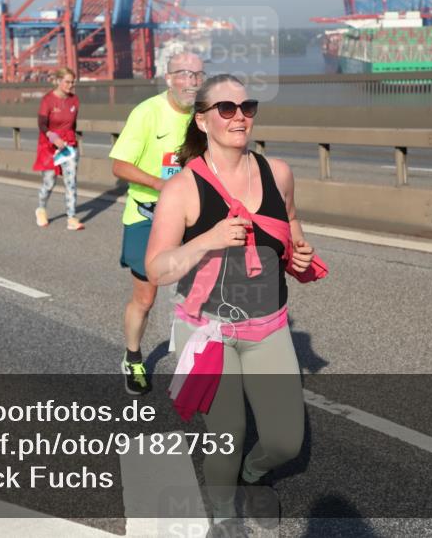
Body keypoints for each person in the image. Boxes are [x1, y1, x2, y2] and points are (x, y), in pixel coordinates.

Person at [145, 74, 327, 530]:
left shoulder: (277, 172)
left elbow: (288, 221)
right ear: (203, 120)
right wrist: (207, 238)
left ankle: (255, 474)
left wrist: (299, 254)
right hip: (208, 332)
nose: (239, 116)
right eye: (226, 109)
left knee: (286, 441)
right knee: (227, 436)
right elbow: (157, 268)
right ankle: (224, 517)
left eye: (247, 106)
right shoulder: (182, 189)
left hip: (268, 326)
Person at [110, 52, 205, 394]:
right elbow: (119, 166)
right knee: (145, 298)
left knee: (200, 295)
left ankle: (197, 364)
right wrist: (162, 184)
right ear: (168, 78)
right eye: (183, 74)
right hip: (147, 215)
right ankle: (133, 357)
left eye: (197, 75)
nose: (191, 82)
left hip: (191, 216)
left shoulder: (204, 116)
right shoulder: (147, 113)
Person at [33, 67, 84, 231]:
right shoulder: (47, 100)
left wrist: (71, 140)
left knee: (71, 183)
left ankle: (71, 217)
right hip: (49, 145)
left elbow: (73, 124)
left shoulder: (75, 100)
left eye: (73, 82)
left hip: (68, 145)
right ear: (58, 81)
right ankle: (41, 208)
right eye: (67, 82)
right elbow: (41, 123)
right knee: (49, 183)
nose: (71, 85)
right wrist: (52, 137)